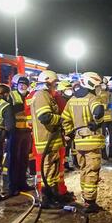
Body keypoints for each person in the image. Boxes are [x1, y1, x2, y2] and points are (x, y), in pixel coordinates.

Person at [62, 71, 105, 213]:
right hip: (91, 141)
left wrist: (70, 132)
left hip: (78, 142)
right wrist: (96, 122)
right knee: (92, 171)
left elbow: (65, 119)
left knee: (84, 169)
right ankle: (90, 202)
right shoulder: (92, 98)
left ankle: (85, 198)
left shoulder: (72, 100)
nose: (98, 88)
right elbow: (98, 111)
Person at [29, 70, 66, 208]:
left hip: (52, 140)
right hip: (46, 140)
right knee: (48, 171)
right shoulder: (41, 95)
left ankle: (54, 196)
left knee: (53, 172)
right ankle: (47, 199)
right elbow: (45, 117)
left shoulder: (47, 95)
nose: (55, 87)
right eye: (54, 84)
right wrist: (62, 119)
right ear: (47, 82)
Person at [5, 74, 33, 195]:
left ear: (27, 86)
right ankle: (13, 186)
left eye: (24, 84)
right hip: (15, 132)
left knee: (24, 159)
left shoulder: (30, 96)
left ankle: (23, 183)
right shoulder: (12, 95)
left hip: (27, 132)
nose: (22, 86)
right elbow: (8, 113)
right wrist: (9, 130)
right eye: (20, 84)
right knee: (13, 159)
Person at [97, 77, 112, 160]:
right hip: (103, 119)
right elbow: (98, 105)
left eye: (105, 83)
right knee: (103, 137)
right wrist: (107, 106)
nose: (104, 85)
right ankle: (103, 154)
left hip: (111, 118)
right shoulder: (97, 93)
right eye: (103, 83)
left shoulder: (109, 92)